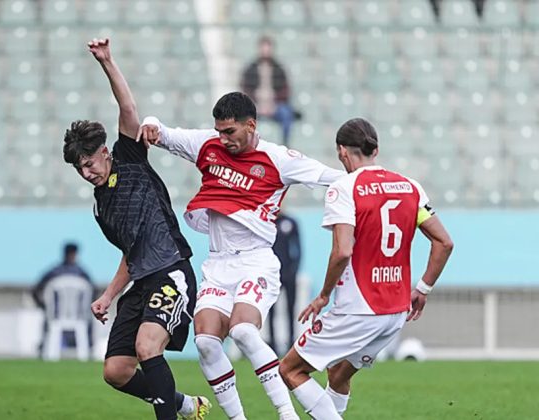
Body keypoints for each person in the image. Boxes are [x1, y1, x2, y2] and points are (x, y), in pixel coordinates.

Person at [138, 92, 344, 420]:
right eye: (219, 131)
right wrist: (149, 124)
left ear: (251, 125)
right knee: (205, 341)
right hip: (218, 264)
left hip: (256, 261)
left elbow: (328, 176)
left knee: (244, 331)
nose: (223, 139)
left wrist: (373, 182)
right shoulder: (207, 144)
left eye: (230, 132)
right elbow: (161, 130)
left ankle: (286, 413)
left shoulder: (279, 159)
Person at [62, 38, 210, 420]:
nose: (87, 172)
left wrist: (107, 62)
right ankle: (185, 406)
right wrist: (108, 296)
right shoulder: (100, 206)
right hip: (141, 281)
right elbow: (130, 252)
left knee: (148, 347)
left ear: (105, 153)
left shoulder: (128, 157)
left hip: (171, 272)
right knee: (116, 371)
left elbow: (127, 108)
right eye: (79, 169)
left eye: (90, 163)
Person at [278, 118, 454, 419]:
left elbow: (343, 250)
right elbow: (444, 243)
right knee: (338, 375)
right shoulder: (410, 187)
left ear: (342, 152)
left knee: (290, 369)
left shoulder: (343, 188)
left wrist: (322, 296)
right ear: (375, 149)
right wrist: (423, 289)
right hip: (395, 313)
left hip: (357, 310)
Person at [32, 242, 94, 353]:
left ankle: (44, 346)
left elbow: (36, 290)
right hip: (79, 316)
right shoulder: (81, 273)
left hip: (56, 315)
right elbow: (92, 292)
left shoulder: (54, 272)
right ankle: (88, 346)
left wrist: (44, 306)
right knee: (88, 317)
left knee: (48, 318)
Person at [240, 36, 297, 146]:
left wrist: (273, 104)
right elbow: (245, 90)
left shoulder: (279, 68)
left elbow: (285, 90)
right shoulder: (250, 68)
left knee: (286, 114)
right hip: (255, 105)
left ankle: (285, 145)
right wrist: (256, 104)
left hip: (275, 105)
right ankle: (246, 145)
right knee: (242, 116)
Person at [267, 211, 301, 354]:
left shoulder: (290, 222)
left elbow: (298, 248)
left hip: (288, 273)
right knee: (271, 310)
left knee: (291, 309)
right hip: (272, 275)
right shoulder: (267, 223)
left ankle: (292, 341)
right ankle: (272, 343)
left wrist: (294, 269)